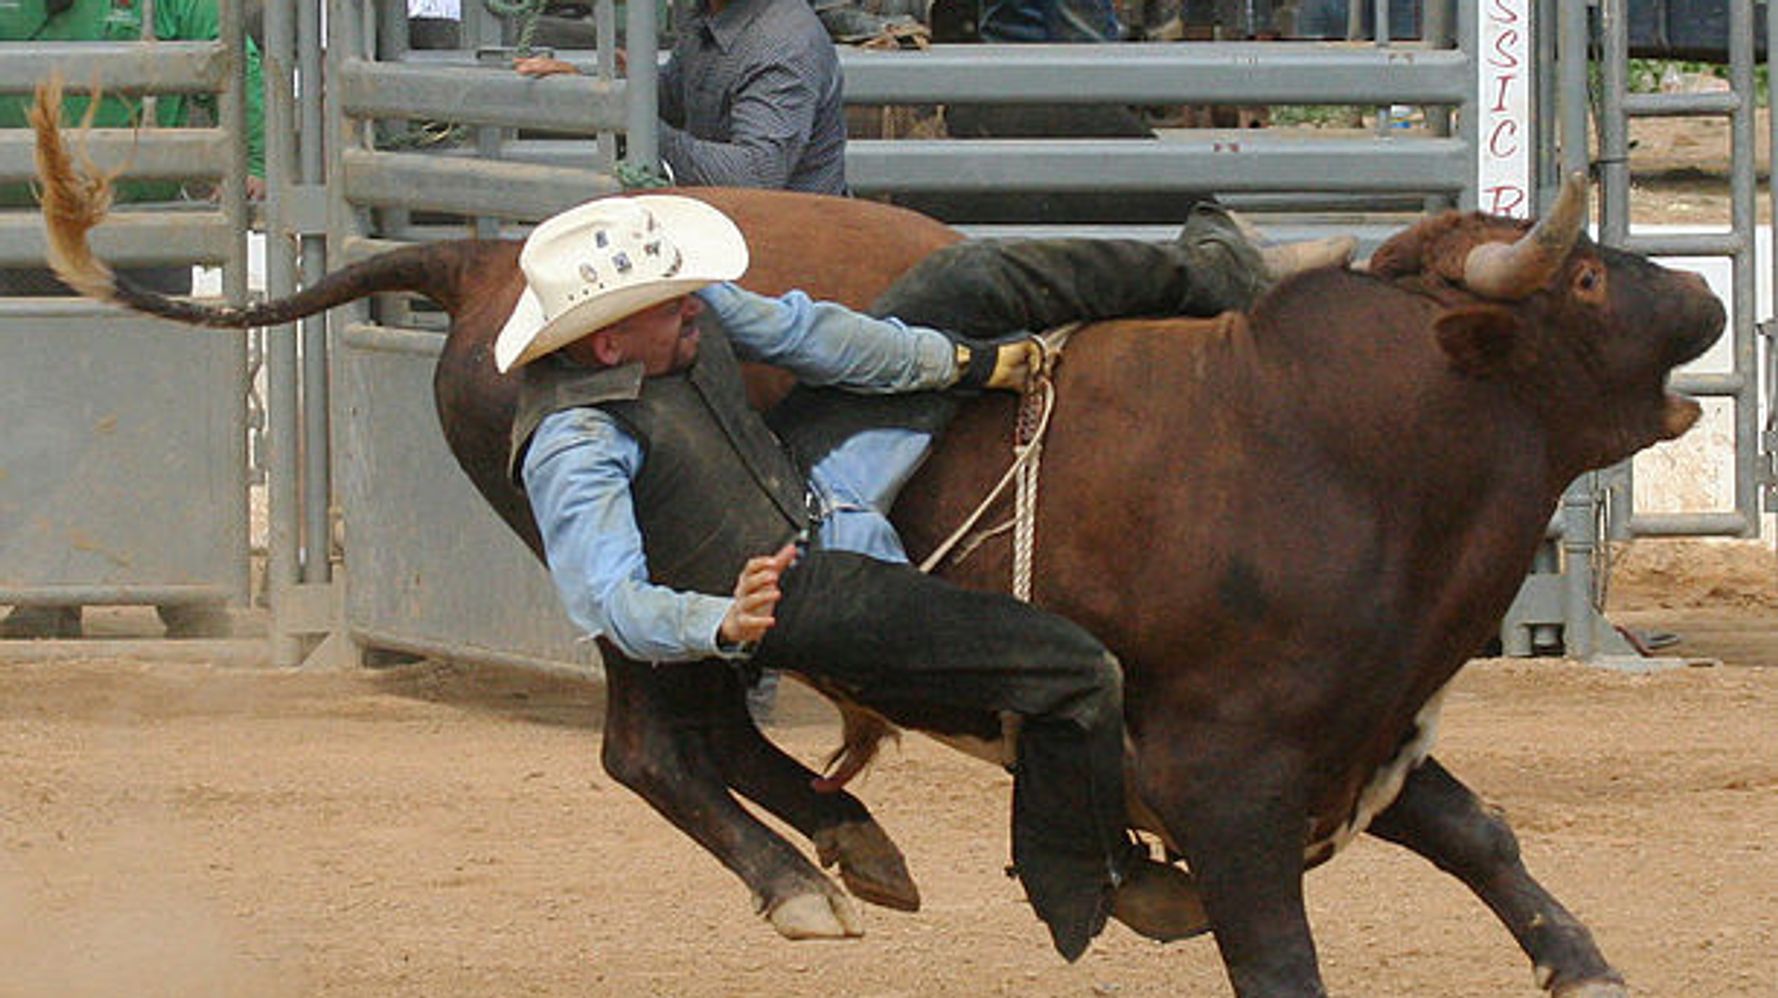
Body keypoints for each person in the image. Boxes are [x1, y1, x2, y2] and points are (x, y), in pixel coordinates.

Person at [495, 194, 1351, 958]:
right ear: (607, 341)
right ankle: (1096, 872)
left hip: (806, 474)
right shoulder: (573, 446)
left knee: (966, 276)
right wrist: (721, 622)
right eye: (670, 306)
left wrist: (963, 363)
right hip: (805, 592)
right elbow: (608, 599)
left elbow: (811, 335)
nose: (694, 307)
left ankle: (1218, 271)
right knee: (1076, 671)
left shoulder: (692, 316)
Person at [0, 0, 267, 639]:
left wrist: (253, 162)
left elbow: (240, 64)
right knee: (39, 416)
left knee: (155, 412)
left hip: (140, 232)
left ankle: (181, 584)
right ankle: (49, 587)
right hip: (23, 230)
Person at [513, 0, 848, 195]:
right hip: (742, 233)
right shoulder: (714, 15)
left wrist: (624, 114)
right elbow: (672, 99)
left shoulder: (782, 44)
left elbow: (753, 175)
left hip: (787, 258)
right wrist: (591, 89)